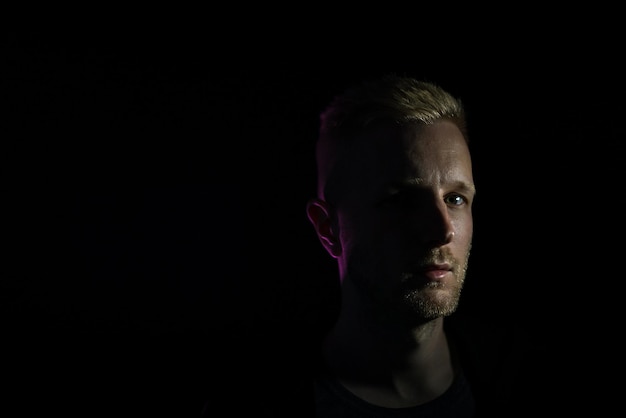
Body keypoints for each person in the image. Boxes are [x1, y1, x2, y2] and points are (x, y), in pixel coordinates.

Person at [304, 74, 536, 417]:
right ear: (328, 228)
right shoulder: (254, 407)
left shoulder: (532, 381)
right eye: (400, 200)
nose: (442, 230)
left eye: (455, 198)